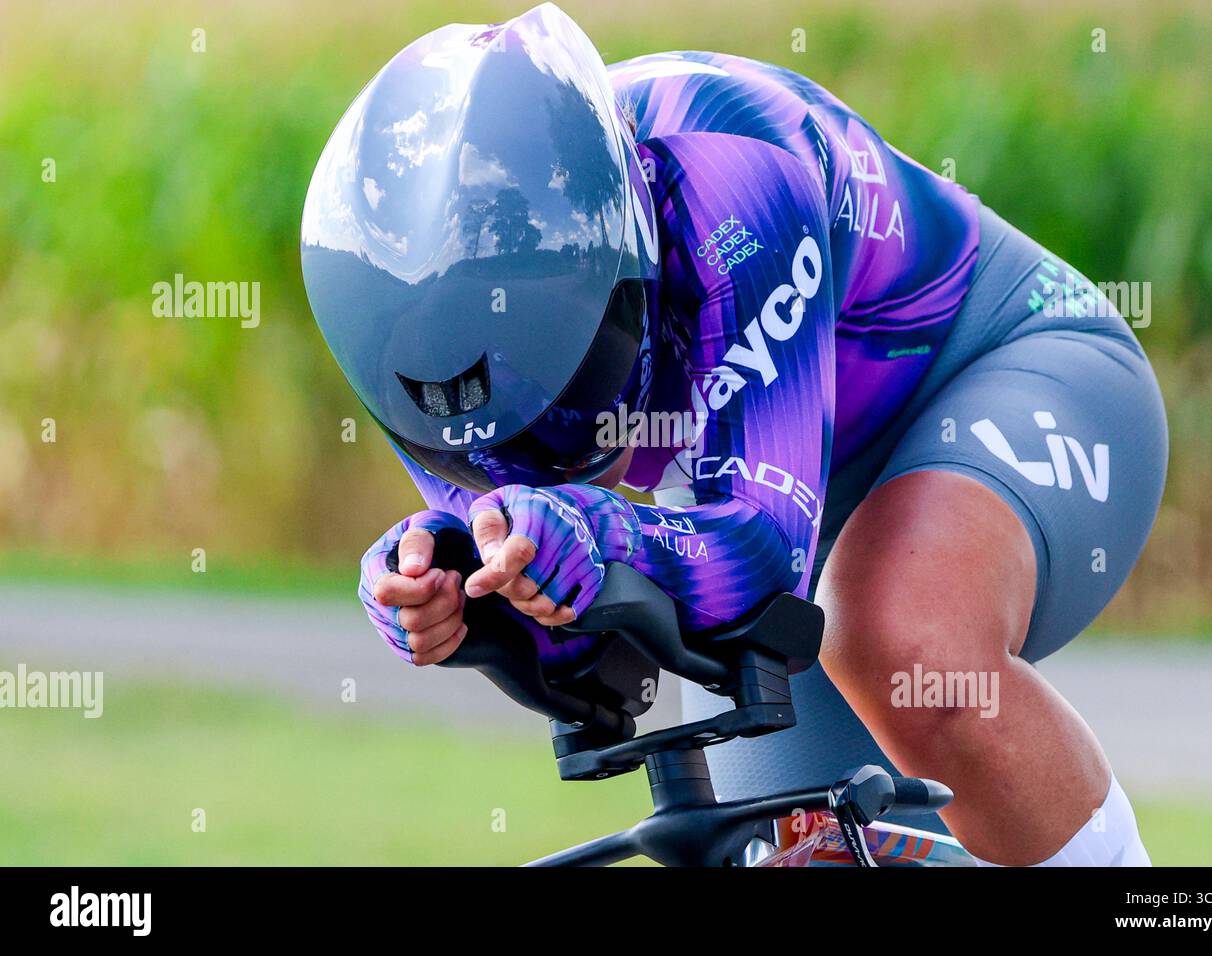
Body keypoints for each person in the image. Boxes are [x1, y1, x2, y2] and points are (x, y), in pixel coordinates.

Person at [301, 2, 1165, 866]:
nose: (544, 457)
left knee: (903, 639)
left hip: (1002, 367)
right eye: (471, 454)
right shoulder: (406, 329)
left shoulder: (733, 166)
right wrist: (462, 590)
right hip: (770, 483)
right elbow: (599, 664)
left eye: (571, 387)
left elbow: (757, 557)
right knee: (791, 851)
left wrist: (597, 531)